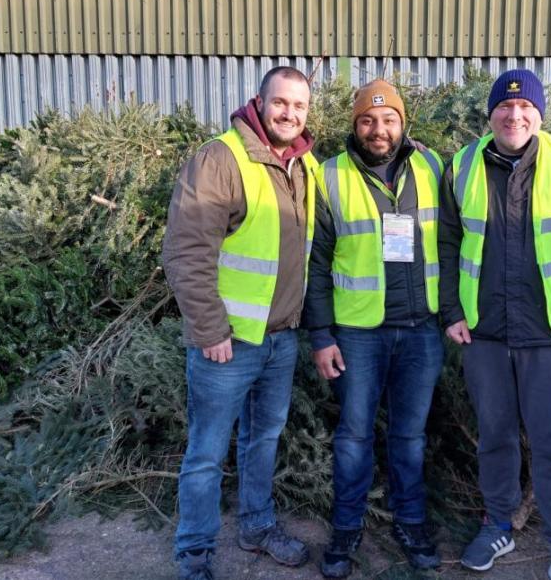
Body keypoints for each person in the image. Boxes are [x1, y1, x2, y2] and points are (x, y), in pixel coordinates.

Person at [438, 69, 551, 580]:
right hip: (484, 332)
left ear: (540, 114)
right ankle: (498, 525)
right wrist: (451, 311)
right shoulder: (463, 165)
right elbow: (446, 245)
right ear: (490, 113)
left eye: (525, 109)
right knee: (494, 438)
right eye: (505, 108)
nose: (514, 116)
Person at [163, 66, 317, 580]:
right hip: (227, 345)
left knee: (262, 441)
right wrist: (210, 332)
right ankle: (195, 555)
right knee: (206, 453)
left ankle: (257, 526)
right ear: (259, 101)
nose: (289, 113)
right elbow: (186, 252)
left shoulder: (303, 164)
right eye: (280, 103)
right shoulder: (221, 158)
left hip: (280, 340)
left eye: (299, 106)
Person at [304, 79, 445, 578]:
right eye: (367, 119)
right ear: (354, 125)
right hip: (357, 333)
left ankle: (410, 522)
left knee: (410, 437)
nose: (378, 129)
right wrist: (321, 335)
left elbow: (452, 243)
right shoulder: (329, 176)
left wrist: (451, 315)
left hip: (421, 329)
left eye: (388, 120)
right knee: (353, 436)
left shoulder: (432, 167)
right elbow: (315, 263)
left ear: (403, 123)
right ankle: (346, 529)